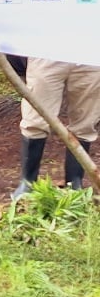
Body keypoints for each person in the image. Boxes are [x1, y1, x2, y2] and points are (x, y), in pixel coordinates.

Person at [12, 59, 100, 199]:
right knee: (35, 120)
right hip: (47, 52)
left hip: (91, 55)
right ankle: (27, 183)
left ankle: (74, 184)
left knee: (85, 123)